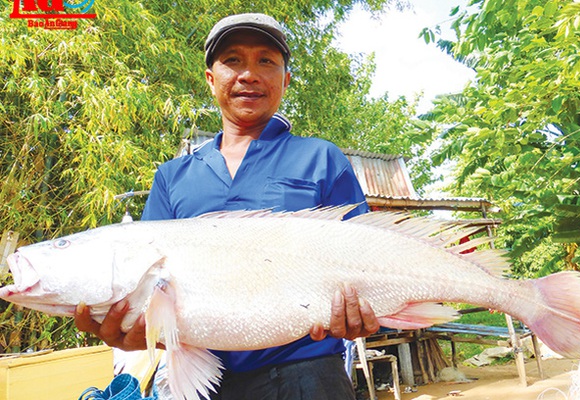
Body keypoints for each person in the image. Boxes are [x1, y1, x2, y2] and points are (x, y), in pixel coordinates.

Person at [75, 13, 380, 400]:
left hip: (307, 374)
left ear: (285, 79)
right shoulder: (172, 177)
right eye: (233, 60)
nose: (249, 74)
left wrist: (362, 314)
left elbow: (369, 260)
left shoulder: (321, 158)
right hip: (198, 377)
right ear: (210, 78)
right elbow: (148, 289)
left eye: (265, 61)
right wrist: (138, 331)